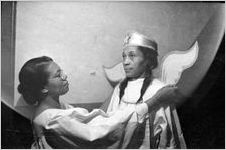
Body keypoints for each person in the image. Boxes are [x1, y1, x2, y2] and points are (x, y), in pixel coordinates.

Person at [18, 56, 169, 149]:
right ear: (44, 88)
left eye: (62, 71)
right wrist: (155, 100)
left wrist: (118, 87)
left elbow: (92, 117)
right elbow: (102, 132)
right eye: (58, 75)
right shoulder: (53, 119)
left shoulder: (54, 108)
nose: (65, 76)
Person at [101, 31, 186, 148]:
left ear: (148, 61)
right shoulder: (120, 88)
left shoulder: (160, 91)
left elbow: (169, 141)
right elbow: (110, 127)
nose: (125, 62)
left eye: (132, 55)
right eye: (124, 56)